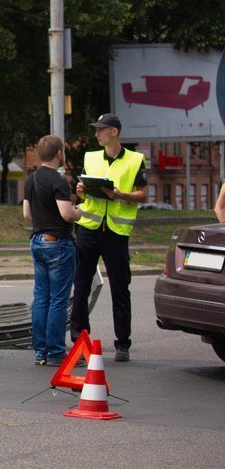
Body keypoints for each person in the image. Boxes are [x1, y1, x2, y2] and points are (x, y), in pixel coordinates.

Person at [70, 113, 147, 362]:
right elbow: (81, 193)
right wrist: (81, 190)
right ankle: (80, 341)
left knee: (120, 288)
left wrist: (119, 195)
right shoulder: (90, 157)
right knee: (81, 287)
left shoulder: (135, 160)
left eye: (101, 130)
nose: (96, 134)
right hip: (89, 229)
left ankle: (122, 344)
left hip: (116, 233)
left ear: (114, 131)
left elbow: (143, 195)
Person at [23, 135, 82, 366]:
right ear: (59, 154)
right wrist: (79, 212)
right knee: (58, 299)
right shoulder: (59, 181)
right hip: (57, 243)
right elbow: (67, 214)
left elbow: (27, 215)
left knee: (41, 298)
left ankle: (41, 352)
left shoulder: (32, 179)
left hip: (37, 241)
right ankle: (57, 352)